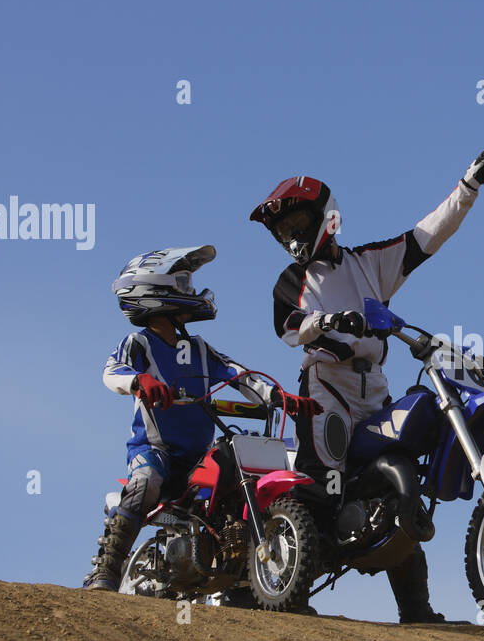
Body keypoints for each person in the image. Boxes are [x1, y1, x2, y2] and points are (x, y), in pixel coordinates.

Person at [248, 143, 484, 623]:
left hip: (375, 390)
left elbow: (426, 237)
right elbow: (289, 326)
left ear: (326, 217)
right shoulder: (291, 280)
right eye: (283, 230)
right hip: (326, 388)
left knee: (397, 471)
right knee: (324, 483)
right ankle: (292, 584)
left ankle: (417, 609)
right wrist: (326, 322)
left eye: (297, 224)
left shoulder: (367, 264)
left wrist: (468, 187)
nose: (291, 236)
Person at [82, 245, 314, 592]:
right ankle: (107, 569)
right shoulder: (138, 344)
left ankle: (247, 582)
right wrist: (138, 381)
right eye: (183, 282)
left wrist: (277, 396)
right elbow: (111, 370)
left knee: (236, 484)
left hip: (197, 456)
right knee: (145, 483)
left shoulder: (202, 350)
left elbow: (240, 375)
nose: (192, 290)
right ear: (156, 290)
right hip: (155, 450)